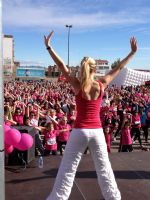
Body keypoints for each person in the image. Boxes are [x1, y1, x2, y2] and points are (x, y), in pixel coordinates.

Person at [44, 31, 137, 200]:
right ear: (95, 69)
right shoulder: (102, 84)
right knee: (104, 169)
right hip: (97, 132)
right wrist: (132, 53)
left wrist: (49, 47)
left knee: (67, 170)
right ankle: (113, 198)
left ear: (82, 68)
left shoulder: (77, 84)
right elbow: (119, 67)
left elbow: (61, 65)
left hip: (79, 131)